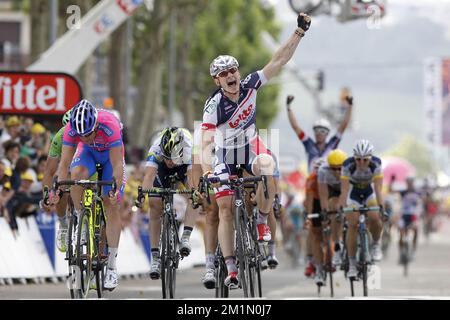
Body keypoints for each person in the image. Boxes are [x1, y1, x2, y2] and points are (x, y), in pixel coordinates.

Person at [200, 13, 312, 289]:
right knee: (225, 209)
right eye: (223, 74)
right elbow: (205, 142)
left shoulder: (251, 84)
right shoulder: (214, 106)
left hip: (249, 148)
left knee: (267, 165)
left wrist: (299, 31)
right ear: (217, 81)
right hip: (225, 154)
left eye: (232, 71)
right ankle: (230, 268)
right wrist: (207, 173)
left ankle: (262, 220)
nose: (230, 76)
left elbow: (279, 60)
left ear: (238, 72)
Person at [52, 99, 126, 291]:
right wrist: (58, 188)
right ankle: (81, 219)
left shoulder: (110, 125)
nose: (84, 138)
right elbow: (63, 164)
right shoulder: (71, 129)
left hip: (110, 156)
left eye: (88, 134)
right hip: (88, 155)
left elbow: (118, 163)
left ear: (95, 125)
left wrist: (114, 188)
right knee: (76, 176)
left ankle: (111, 266)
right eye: (80, 135)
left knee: (110, 203)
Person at [137, 127, 199, 280]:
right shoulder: (156, 149)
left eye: (171, 158)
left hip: (183, 167)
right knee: (154, 204)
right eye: (166, 157)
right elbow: (149, 177)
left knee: (196, 196)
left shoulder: (189, 149)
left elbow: (192, 181)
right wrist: (142, 195)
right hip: (161, 171)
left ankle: (185, 237)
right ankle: (155, 257)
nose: (169, 161)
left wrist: (194, 192)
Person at [338, 139, 385, 278]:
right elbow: (345, 189)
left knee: (375, 218)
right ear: (354, 157)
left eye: (365, 160)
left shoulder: (376, 163)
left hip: (369, 193)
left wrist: (381, 208)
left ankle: (376, 244)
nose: (361, 163)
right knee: (352, 224)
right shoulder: (347, 164)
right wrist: (342, 208)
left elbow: (378, 188)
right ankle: (352, 264)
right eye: (358, 159)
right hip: (353, 194)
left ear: (370, 158)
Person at [311, 149, 347, 285]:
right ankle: (318, 264)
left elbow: (346, 191)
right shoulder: (322, 172)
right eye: (334, 169)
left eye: (340, 169)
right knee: (332, 207)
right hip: (330, 192)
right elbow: (323, 196)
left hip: (345, 189)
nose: (338, 172)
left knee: (342, 207)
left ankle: (344, 242)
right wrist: (325, 212)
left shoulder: (348, 169)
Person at [41, 109, 73, 253]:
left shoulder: (88, 135)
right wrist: (46, 196)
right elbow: (49, 171)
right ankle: (63, 224)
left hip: (86, 164)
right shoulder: (59, 137)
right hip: (67, 167)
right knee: (61, 185)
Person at [396, 176, 422, 260]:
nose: (410, 184)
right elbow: (394, 194)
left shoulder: (417, 192)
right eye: (408, 182)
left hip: (413, 216)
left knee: (416, 230)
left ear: (413, 183)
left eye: (411, 182)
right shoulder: (403, 192)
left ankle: (413, 250)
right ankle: (401, 252)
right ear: (406, 183)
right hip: (404, 215)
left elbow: (421, 202)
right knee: (401, 233)